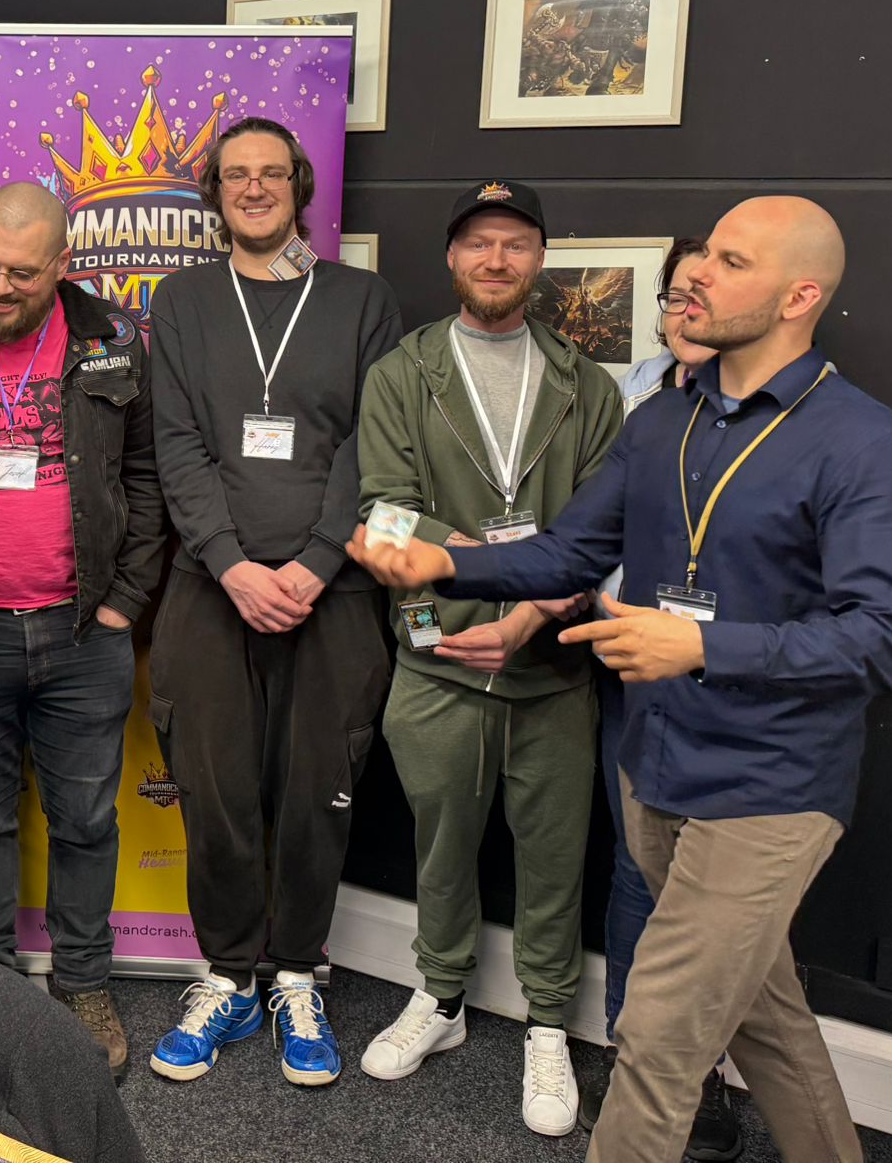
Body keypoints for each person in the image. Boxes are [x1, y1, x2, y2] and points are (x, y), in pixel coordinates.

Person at [350, 196, 892, 1163]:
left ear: (799, 295)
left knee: (657, 1042)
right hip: (656, 767)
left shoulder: (864, 443)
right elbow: (571, 550)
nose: (696, 275)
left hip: (771, 787)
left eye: (730, 263)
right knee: (765, 1021)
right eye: (700, 257)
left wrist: (704, 648)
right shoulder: (666, 418)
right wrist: (448, 569)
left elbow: (886, 639)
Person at [354, 182, 622, 1136]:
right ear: (453, 259)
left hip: (549, 668)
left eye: (515, 243)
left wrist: (525, 610)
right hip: (435, 663)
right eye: (479, 243)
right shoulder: (401, 374)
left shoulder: (587, 388)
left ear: (539, 260)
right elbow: (382, 507)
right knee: (441, 848)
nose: (497, 260)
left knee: (554, 859)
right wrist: (483, 587)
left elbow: (601, 530)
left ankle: (549, 1025)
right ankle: (441, 998)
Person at [146, 117, 402, 1087]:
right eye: (233, 176)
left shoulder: (361, 300)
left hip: (328, 597)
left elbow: (372, 446)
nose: (253, 189)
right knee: (211, 793)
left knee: (313, 794)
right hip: (209, 593)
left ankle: (296, 973)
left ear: (299, 187)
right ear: (212, 193)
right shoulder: (180, 301)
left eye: (270, 175)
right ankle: (226, 976)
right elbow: (176, 444)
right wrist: (230, 564)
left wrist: (316, 560)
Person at [0, 181, 166, 1076]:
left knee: (87, 820)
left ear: (65, 265)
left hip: (83, 634)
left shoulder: (114, 339)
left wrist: (123, 604)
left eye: (23, 271)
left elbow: (146, 477)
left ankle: (82, 985)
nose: (0, 286)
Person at [579, 236, 740, 1159]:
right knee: (640, 869)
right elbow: (591, 521)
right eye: (677, 290)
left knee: (712, 885)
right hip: (632, 675)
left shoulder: (794, 413)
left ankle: (703, 1072)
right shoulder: (633, 396)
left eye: (705, 290)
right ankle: (630, 1052)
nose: (688, 305)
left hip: (727, 678)